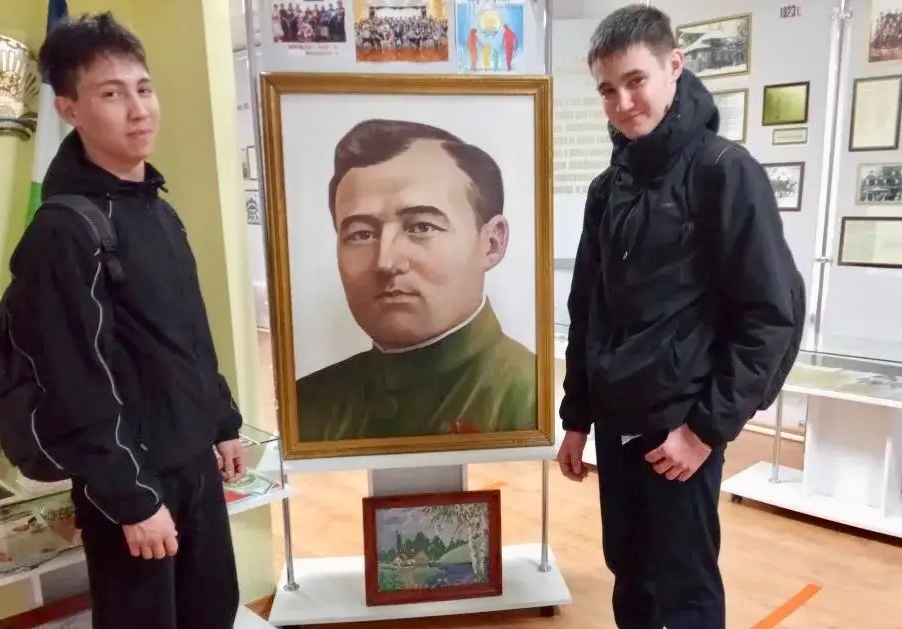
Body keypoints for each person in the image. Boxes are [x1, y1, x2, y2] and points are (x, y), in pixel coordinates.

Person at [555, 6, 801, 629]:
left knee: (685, 588)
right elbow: (588, 310)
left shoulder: (725, 171)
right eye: (607, 90)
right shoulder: (606, 189)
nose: (622, 103)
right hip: (616, 424)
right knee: (629, 573)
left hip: (680, 428)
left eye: (635, 80)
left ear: (674, 66)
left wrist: (704, 430)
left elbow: (770, 317)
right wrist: (577, 418)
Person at [5, 12, 243, 629]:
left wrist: (223, 421)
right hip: (133, 481)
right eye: (111, 94)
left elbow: (189, 333)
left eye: (144, 88)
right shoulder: (64, 232)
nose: (139, 110)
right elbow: (74, 382)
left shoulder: (158, 211)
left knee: (213, 611)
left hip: (193, 464)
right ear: (70, 110)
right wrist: (132, 500)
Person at [295, 119, 536, 441]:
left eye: (421, 227)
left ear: (491, 243)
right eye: (361, 234)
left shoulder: (528, 399)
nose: (386, 262)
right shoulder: (308, 403)